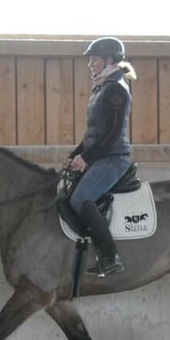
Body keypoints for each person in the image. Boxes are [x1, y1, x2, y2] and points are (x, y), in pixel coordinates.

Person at [64, 36, 137, 277]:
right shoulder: (102, 88)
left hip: (113, 158)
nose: (90, 64)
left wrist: (86, 158)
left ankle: (109, 256)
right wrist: (75, 154)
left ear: (109, 60)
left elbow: (113, 132)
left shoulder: (116, 88)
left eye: (94, 59)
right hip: (100, 156)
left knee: (80, 198)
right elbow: (93, 133)